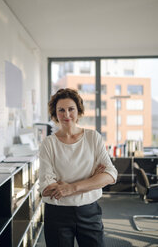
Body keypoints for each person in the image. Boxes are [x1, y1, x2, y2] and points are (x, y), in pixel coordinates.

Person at [38, 88, 118, 247]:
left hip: (89, 212)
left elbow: (110, 174)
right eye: (61, 110)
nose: (66, 114)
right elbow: (48, 188)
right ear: (55, 113)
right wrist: (93, 180)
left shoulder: (92, 137)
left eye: (71, 109)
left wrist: (71, 188)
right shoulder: (49, 143)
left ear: (78, 110)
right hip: (57, 214)